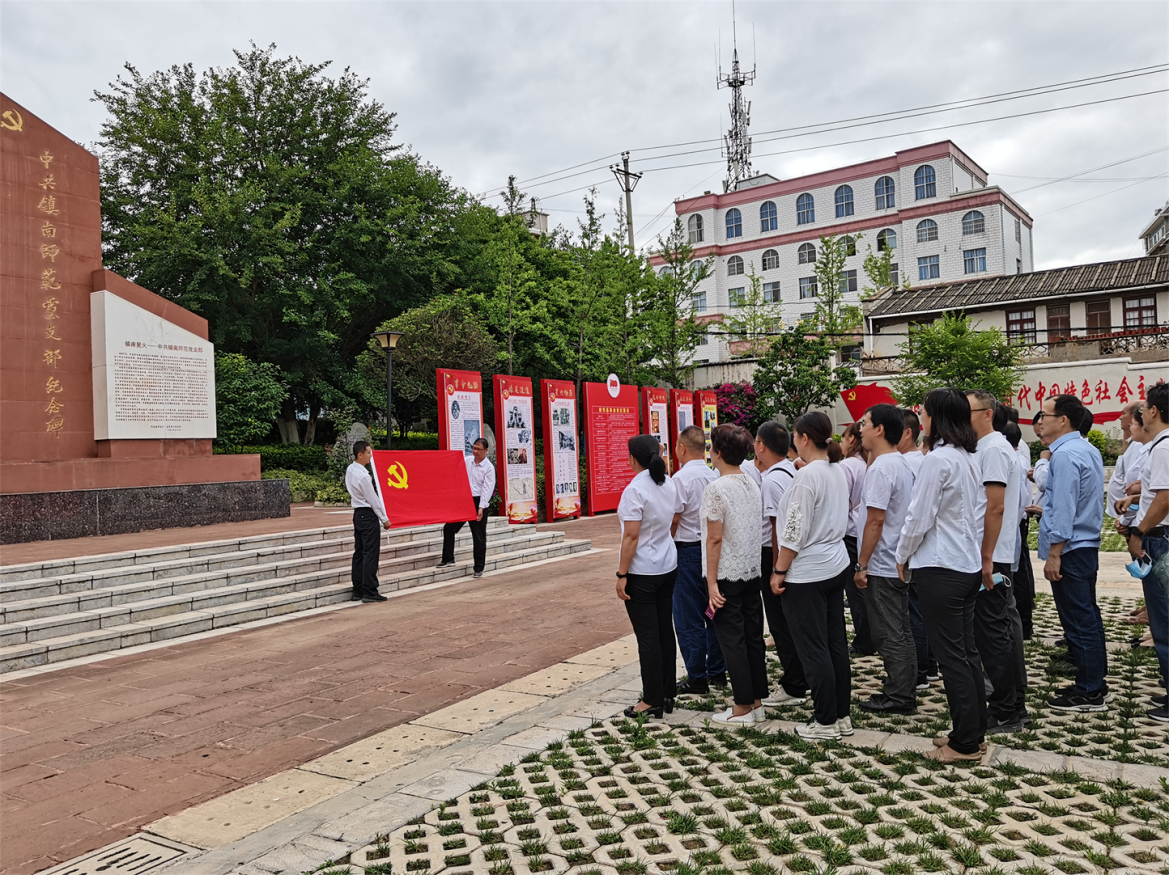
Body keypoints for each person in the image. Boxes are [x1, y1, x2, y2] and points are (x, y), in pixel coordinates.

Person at [895, 387, 985, 763]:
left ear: (937, 418)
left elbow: (919, 516)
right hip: (965, 564)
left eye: (925, 413)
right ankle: (972, 732)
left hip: (940, 567)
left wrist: (902, 555)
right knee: (966, 653)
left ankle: (964, 745)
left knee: (952, 657)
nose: (922, 418)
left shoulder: (937, 460)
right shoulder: (967, 457)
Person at [770, 412, 852, 740]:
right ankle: (840, 715)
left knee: (813, 647)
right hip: (834, 564)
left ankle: (825, 721)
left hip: (807, 573)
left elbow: (793, 531)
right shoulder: (835, 470)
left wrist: (779, 570)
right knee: (835, 645)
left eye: (795, 435)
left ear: (804, 438)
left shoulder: (807, 477)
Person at [1039, 393, 1108, 712]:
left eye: (1045, 415)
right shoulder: (1085, 448)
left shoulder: (1065, 456)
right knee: (1087, 616)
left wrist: (1055, 553)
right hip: (1084, 545)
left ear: (1063, 420)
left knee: (1079, 620)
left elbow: (1064, 508)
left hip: (1070, 549)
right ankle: (1094, 682)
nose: (1041, 421)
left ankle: (1090, 690)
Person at [966, 391, 1028, 734]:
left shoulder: (993, 449)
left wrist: (986, 557)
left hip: (991, 556)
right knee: (997, 631)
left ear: (987, 414)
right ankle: (1012, 703)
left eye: (968, 411)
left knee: (993, 635)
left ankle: (1006, 709)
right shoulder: (989, 448)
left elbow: (995, 506)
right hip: (990, 553)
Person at [702, 425, 768, 725]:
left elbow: (714, 538)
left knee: (733, 640)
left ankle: (742, 706)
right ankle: (756, 701)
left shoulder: (716, 488)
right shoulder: (751, 482)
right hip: (751, 570)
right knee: (752, 637)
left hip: (727, 573)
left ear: (717, 452)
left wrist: (711, 582)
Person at [854, 404, 916, 715]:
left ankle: (899, 695)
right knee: (901, 628)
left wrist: (862, 564)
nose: (860, 429)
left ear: (879, 429)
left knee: (888, 632)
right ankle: (903, 688)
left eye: (864, 423)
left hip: (882, 562)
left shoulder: (882, 468)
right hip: (897, 559)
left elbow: (876, 520)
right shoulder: (899, 462)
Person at [616, 434, 680, 718]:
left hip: (642, 571)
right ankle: (666, 692)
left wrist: (622, 573)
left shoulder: (635, 490)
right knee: (665, 630)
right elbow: (675, 518)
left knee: (648, 637)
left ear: (632, 458)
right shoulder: (668, 483)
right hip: (667, 565)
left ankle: (651, 699)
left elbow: (631, 536)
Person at [1123, 381, 1169, 722]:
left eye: (1143, 409)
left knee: (1163, 619)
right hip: (1160, 536)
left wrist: (1139, 533)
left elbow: (1165, 498)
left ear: (1153, 410)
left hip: (1159, 539)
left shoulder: (1164, 447)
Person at [752, 421, 807, 707]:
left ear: (761, 446)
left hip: (773, 555)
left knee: (780, 623)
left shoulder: (773, 480)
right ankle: (801, 676)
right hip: (786, 554)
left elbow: (776, 528)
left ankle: (794, 683)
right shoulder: (791, 470)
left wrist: (776, 569)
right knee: (789, 621)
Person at [671, 425, 724, 695]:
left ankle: (696, 675)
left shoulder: (681, 479)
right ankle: (717, 671)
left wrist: (667, 543)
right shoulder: (714, 475)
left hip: (688, 552)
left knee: (688, 615)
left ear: (681, 448)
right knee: (712, 612)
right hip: (713, 551)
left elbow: (675, 517)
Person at [897, 406, 935, 687]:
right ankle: (930, 665)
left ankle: (920, 670)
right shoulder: (922, 461)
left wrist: (903, 552)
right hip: (923, 547)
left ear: (907, 433)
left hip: (913, 546)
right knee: (923, 609)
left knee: (914, 611)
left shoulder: (908, 464)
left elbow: (915, 514)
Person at [439, 438, 496, 578]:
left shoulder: (488, 468)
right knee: (449, 528)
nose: (475, 451)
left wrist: (481, 507)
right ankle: (448, 558)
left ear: (486, 451)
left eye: (479, 449)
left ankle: (478, 568)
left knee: (478, 536)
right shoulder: (467, 461)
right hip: (464, 501)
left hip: (478, 502)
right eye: (474, 448)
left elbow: (487, 489)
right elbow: (455, 470)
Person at [840, 423, 874, 656]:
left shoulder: (848, 466)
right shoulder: (867, 463)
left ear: (852, 439)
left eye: (843, 438)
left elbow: (842, 502)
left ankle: (864, 641)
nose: (841, 443)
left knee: (855, 591)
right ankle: (870, 636)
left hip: (850, 532)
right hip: (863, 532)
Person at [345, 440, 392, 603]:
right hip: (367, 514)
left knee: (359, 552)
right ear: (360, 454)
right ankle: (369, 590)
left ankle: (358, 589)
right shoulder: (363, 476)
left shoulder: (350, 469)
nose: (371, 455)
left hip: (358, 514)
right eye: (368, 452)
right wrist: (384, 518)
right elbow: (373, 499)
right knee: (370, 553)